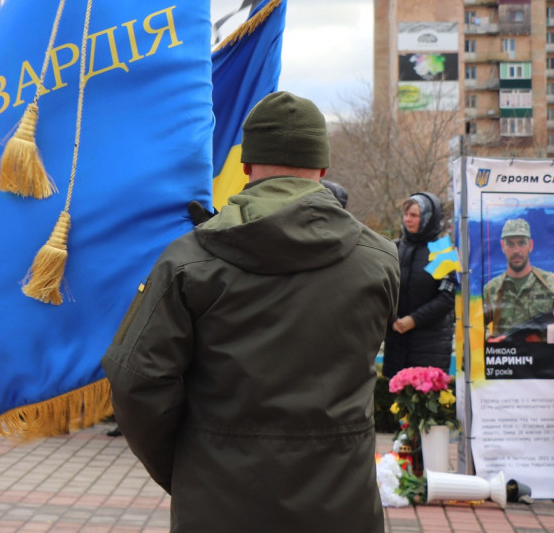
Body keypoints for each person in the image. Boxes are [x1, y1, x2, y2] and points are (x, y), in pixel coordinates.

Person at [102, 92, 399, 533]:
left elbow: (137, 380)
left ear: (245, 165)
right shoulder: (380, 258)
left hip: (219, 503)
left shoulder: (189, 260)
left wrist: (187, 468)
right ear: (322, 167)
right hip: (342, 504)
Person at [382, 192, 457, 374]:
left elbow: (447, 297)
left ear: (428, 218)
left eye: (414, 215)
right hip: (396, 343)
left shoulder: (442, 251)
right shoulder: (395, 248)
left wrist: (414, 320)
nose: (408, 219)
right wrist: (392, 320)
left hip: (430, 346)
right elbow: (383, 289)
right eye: (406, 214)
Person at [483, 218, 554, 337]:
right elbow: (476, 328)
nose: (516, 250)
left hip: (542, 354)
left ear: (530, 245)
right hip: (505, 354)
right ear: (502, 246)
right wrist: (491, 341)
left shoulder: (550, 283)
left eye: (521, 243)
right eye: (510, 244)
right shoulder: (492, 289)